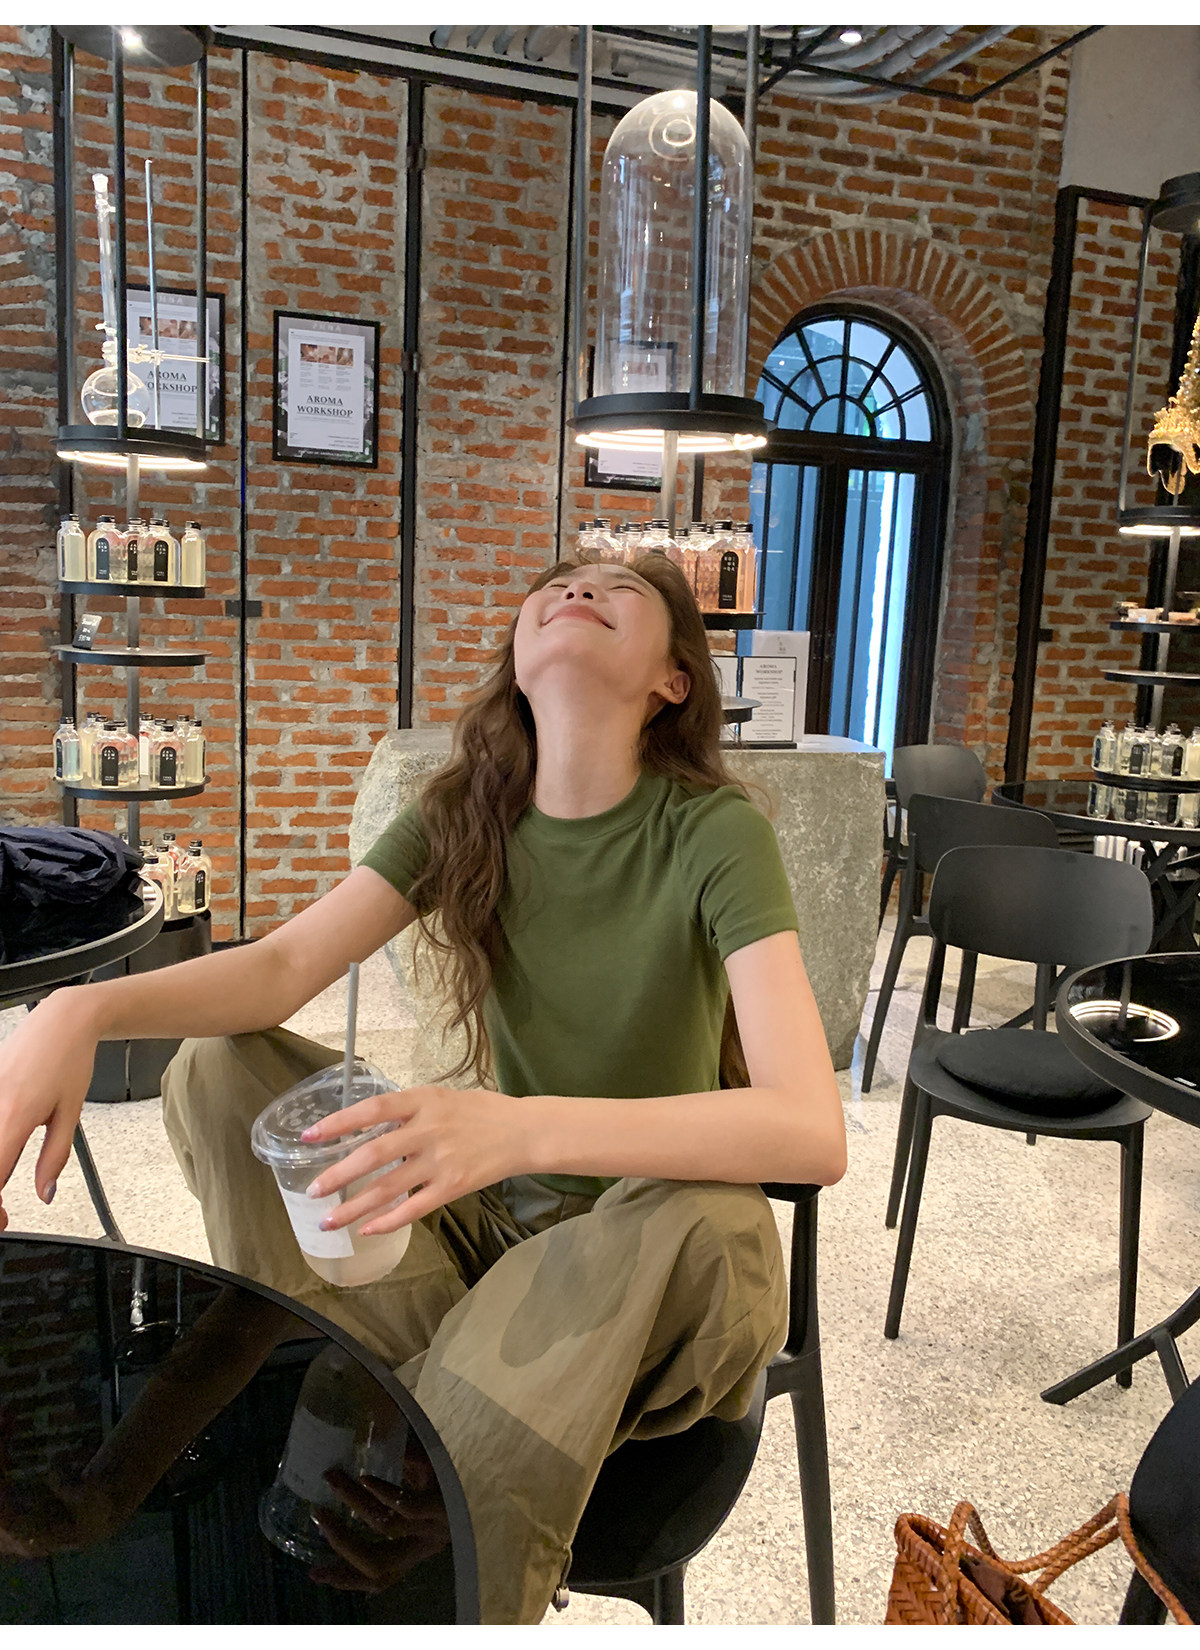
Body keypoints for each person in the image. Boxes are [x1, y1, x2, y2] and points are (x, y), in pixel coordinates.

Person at [0, 553, 847, 1622]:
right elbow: (282, 966)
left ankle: (447, 1508)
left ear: (672, 680)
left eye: (620, 591)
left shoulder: (716, 832)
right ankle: (356, 1350)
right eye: (557, 587)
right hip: (496, 1245)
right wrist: (76, 1011)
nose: (579, 591)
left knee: (706, 1220)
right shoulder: (467, 812)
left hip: (658, 1267)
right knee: (222, 1065)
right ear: (519, 660)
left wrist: (516, 1129)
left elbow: (810, 1129)